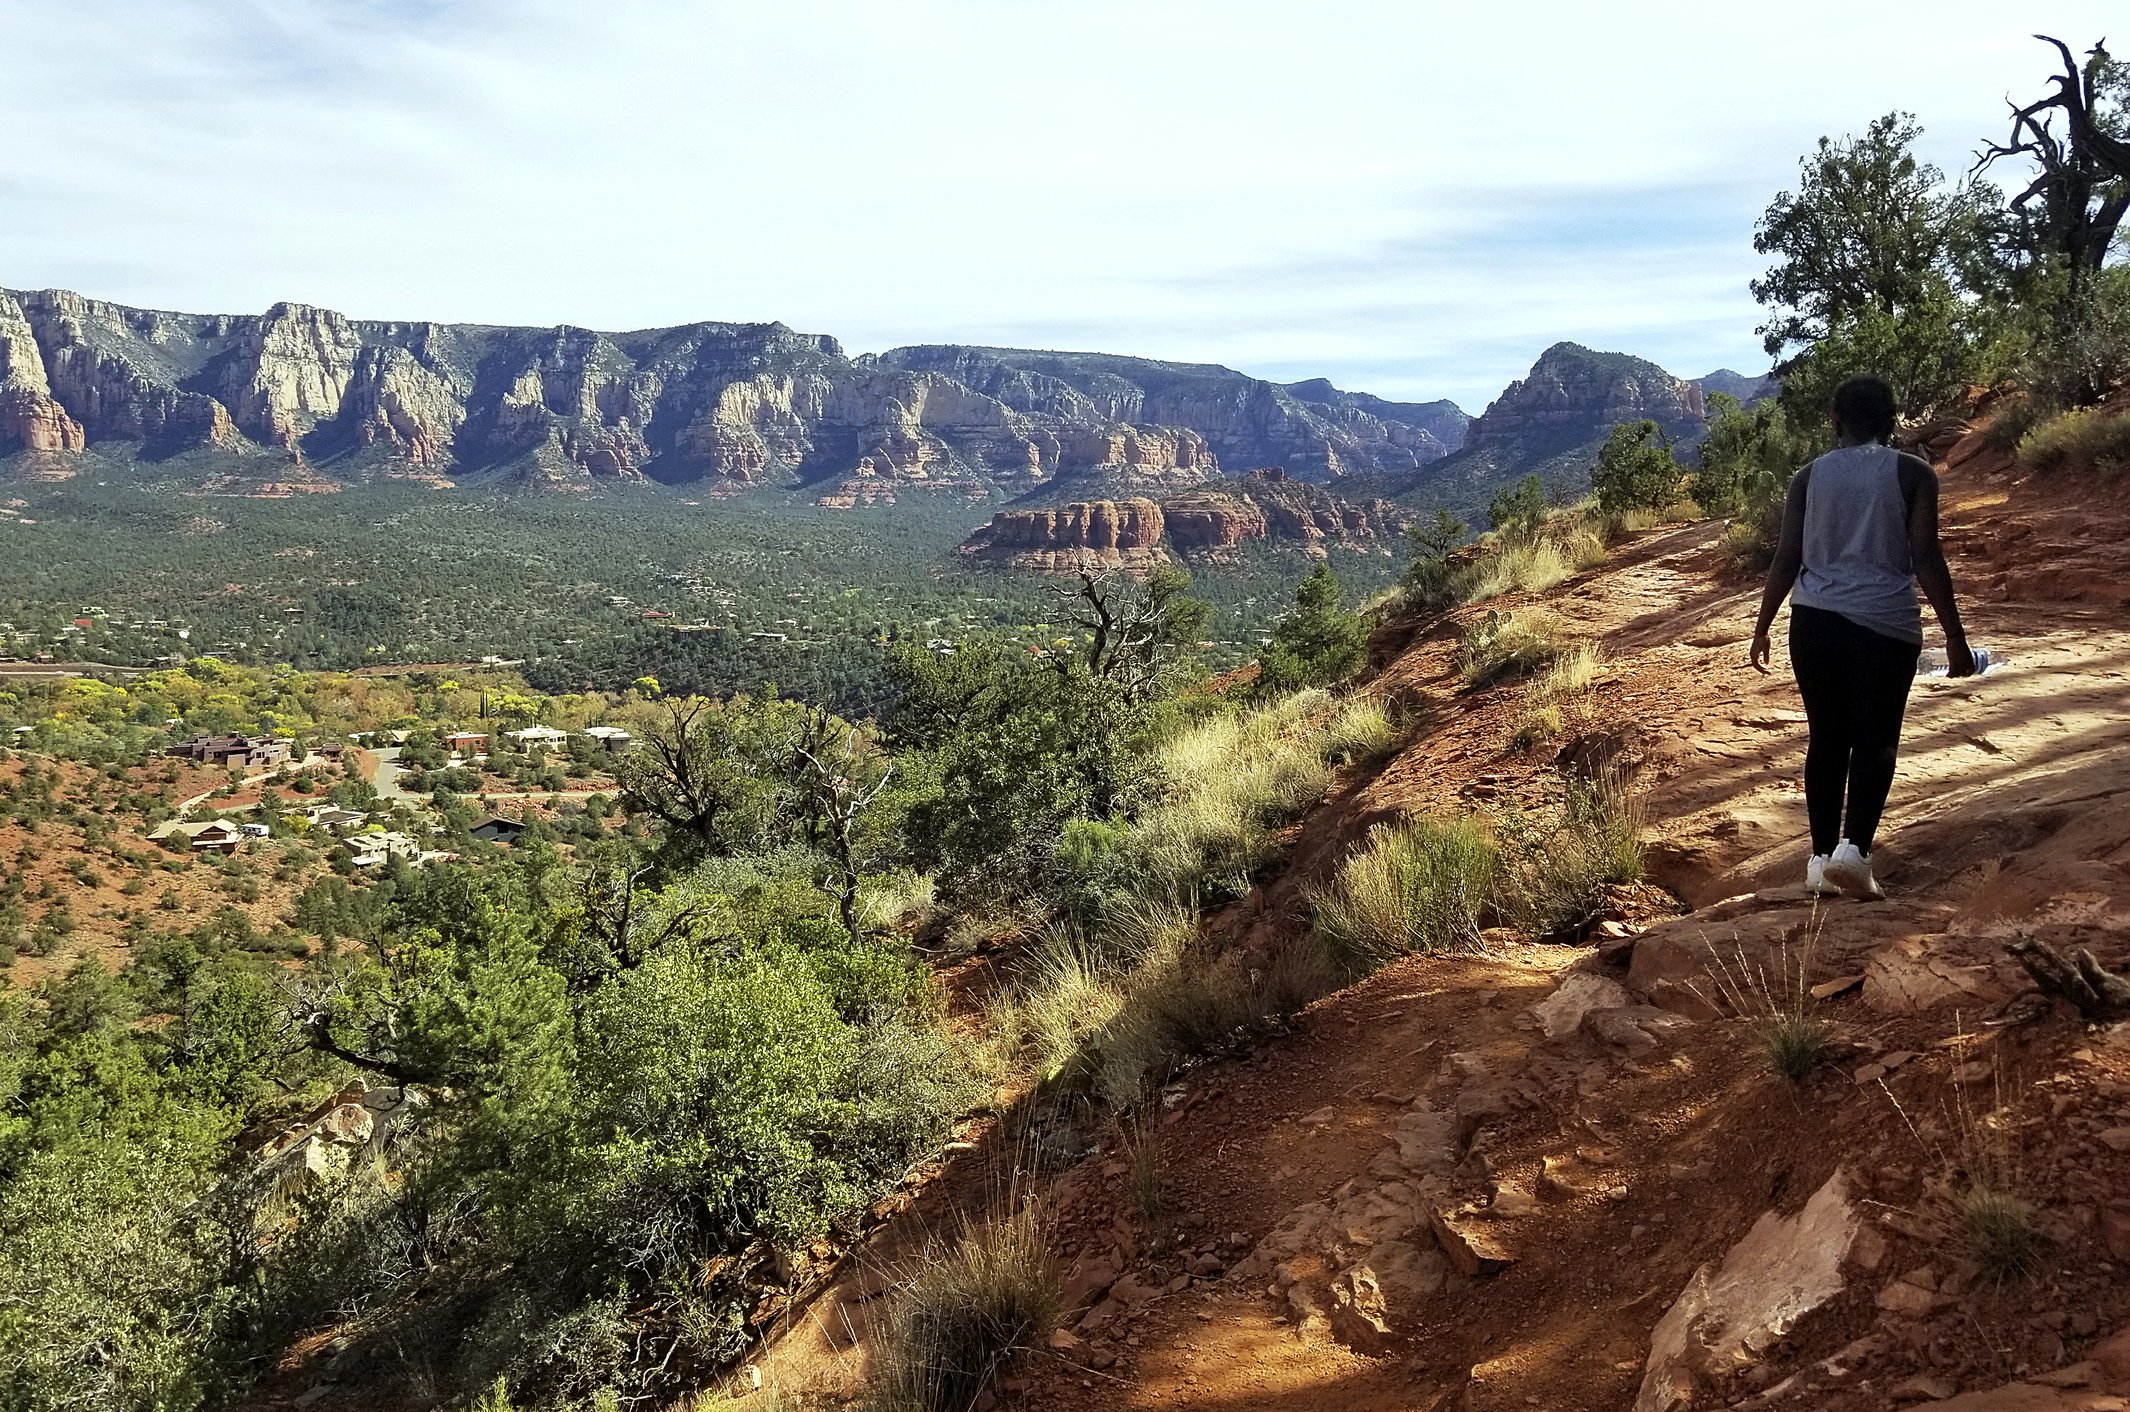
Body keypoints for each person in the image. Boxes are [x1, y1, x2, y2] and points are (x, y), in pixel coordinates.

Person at [1749, 375, 1974, 900]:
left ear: (1835, 419)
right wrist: (1956, 638)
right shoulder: (1913, 474)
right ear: (1891, 418)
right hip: (1885, 625)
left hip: (1814, 623)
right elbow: (1925, 556)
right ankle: (1855, 853)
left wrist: (1762, 626)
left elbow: (1786, 557)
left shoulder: (1808, 477)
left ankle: (1819, 859)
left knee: (1827, 738)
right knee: (1875, 740)